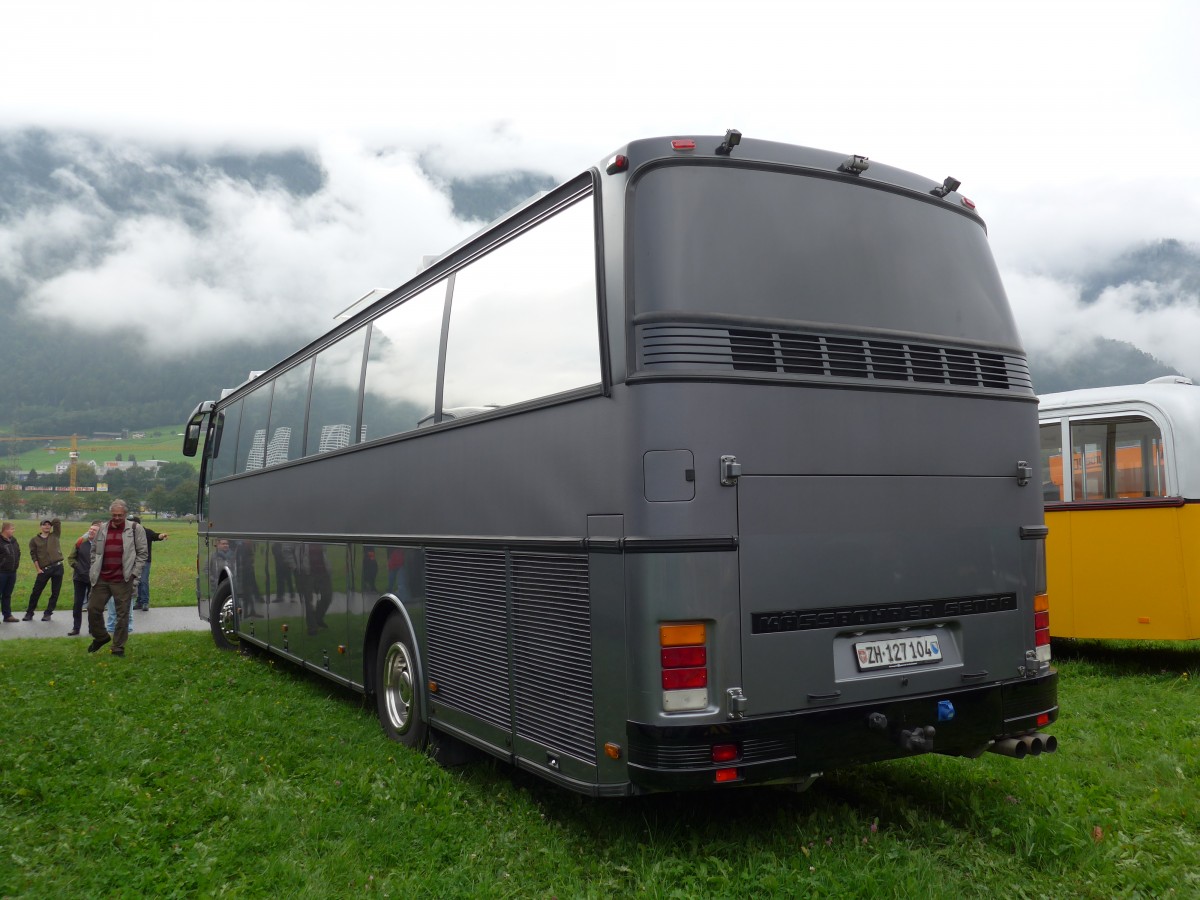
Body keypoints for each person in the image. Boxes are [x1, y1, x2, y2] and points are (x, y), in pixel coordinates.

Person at [86, 500, 148, 658]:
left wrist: (134, 574)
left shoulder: (135, 529)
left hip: (123, 579)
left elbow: (142, 554)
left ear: (125, 514)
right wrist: (94, 568)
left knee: (122, 615)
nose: (117, 518)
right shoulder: (102, 529)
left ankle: (118, 647)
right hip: (102, 578)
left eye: (120, 515)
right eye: (114, 515)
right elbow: (94, 551)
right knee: (93, 609)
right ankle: (101, 637)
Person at [25, 517, 64, 621]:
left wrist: (50, 521)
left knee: (55, 592)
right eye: (44, 524)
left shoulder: (55, 535)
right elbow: (34, 556)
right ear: (40, 526)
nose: (46, 526)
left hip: (58, 567)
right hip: (44, 569)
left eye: (48, 524)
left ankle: (48, 613)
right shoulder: (34, 540)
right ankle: (29, 613)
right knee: (36, 591)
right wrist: (38, 569)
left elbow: (57, 522)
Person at [67, 521, 101, 636]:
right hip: (79, 578)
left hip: (94, 579)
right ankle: (76, 628)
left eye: (94, 530)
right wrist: (78, 568)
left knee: (92, 605)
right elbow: (71, 558)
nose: (91, 531)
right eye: (90, 529)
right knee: (77, 604)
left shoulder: (102, 545)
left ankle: (92, 628)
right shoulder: (80, 542)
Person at [129, 515, 168, 611]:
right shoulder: (128, 533)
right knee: (135, 582)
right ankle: (139, 602)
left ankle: (145, 602)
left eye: (130, 522)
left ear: (136, 524)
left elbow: (155, 536)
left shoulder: (146, 532)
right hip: (132, 561)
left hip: (145, 561)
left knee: (143, 580)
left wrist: (161, 536)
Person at [0, 521, 20, 623]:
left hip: (12, 572)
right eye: (12, 529)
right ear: (6, 529)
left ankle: (7, 615)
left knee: (7, 594)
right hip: (1, 572)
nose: (13, 530)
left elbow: (18, 552)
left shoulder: (13, 540)